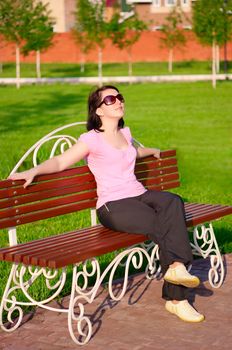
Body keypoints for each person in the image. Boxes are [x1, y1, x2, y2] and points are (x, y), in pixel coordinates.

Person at [9, 85, 204, 323]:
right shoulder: (92, 139)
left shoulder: (125, 133)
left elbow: (131, 152)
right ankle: (178, 299)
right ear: (98, 110)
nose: (118, 101)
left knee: (172, 201)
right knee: (162, 224)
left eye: (119, 97)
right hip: (113, 205)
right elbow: (61, 161)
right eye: (111, 99)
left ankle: (176, 269)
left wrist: (151, 150)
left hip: (138, 194)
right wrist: (34, 170)